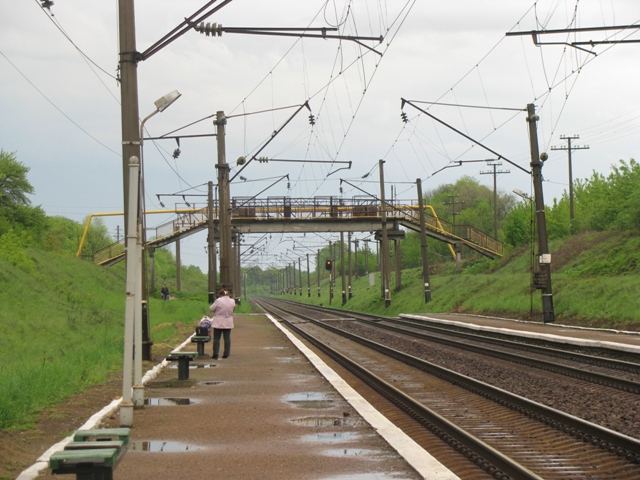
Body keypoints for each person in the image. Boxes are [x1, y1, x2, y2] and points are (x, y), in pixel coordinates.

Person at [209, 289, 236, 359]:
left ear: (221, 295)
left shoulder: (218, 300)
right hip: (228, 321)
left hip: (218, 321)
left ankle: (215, 354)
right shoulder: (232, 301)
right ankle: (226, 353)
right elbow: (233, 309)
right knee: (227, 338)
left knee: (216, 338)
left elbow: (211, 309)